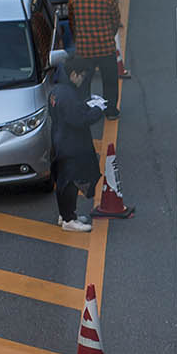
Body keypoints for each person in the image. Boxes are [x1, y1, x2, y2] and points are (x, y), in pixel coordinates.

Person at [48, 56, 105, 232]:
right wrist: (98, 109)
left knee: (63, 181)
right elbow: (79, 119)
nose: (83, 80)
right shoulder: (68, 95)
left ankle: (64, 214)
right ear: (74, 74)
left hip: (59, 141)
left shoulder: (57, 90)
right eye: (82, 76)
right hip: (70, 145)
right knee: (70, 182)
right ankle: (69, 220)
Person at [65, 0, 123, 118]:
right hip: (106, 48)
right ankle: (110, 111)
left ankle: (85, 109)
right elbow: (116, 20)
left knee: (84, 82)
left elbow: (71, 23)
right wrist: (109, 35)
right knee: (110, 81)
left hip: (84, 50)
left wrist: (78, 39)